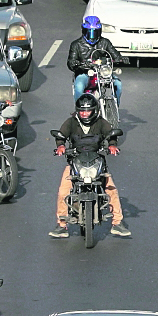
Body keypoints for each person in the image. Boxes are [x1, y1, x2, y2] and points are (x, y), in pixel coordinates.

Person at [51, 93, 130, 238]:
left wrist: (112, 145)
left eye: (88, 111)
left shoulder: (101, 122)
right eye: (82, 111)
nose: (84, 114)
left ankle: (117, 223)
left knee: (111, 189)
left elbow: (111, 134)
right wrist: (61, 146)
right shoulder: (71, 122)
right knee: (63, 191)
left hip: (97, 161)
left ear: (94, 110)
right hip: (75, 161)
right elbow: (61, 135)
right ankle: (61, 225)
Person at [67, 15, 123, 103]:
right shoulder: (76, 44)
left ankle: (115, 106)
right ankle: (80, 108)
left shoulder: (105, 42)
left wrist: (121, 59)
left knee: (118, 84)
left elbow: (115, 55)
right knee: (79, 86)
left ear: (99, 32)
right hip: (85, 73)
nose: (92, 36)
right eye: (89, 32)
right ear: (84, 31)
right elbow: (71, 62)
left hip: (102, 73)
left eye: (95, 32)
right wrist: (78, 64)